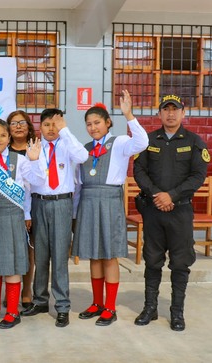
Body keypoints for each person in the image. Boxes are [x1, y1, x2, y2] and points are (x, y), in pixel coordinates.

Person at [133, 94, 209, 331]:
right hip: (153, 210)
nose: (170, 114)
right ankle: (150, 308)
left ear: (183, 113)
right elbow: (139, 170)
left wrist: (172, 195)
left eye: (175, 109)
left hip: (180, 211)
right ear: (159, 114)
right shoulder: (147, 140)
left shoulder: (195, 141)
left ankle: (177, 313)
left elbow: (198, 175)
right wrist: (157, 194)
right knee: (152, 261)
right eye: (166, 109)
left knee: (180, 263)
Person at [72, 91, 148, 326]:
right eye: (88, 124)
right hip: (88, 200)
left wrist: (129, 115)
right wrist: (76, 213)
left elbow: (143, 142)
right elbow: (77, 182)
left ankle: (110, 307)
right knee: (94, 255)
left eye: (97, 123)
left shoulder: (120, 143)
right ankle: (96, 302)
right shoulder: (84, 150)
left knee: (109, 255)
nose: (93, 127)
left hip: (110, 200)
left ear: (107, 123)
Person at [21, 109, 89, 328]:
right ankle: (40, 300)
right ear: (40, 126)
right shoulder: (34, 148)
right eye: (47, 124)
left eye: (55, 124)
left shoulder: (67, 145)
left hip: (61, 203)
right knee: (40, 255)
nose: (51, 129)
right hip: (39, 202)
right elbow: (29, 182)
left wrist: (66, 131)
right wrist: (27, 212)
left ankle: (62, 306)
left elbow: (82, 156)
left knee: (59, 256)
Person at [0, 119, 45, 329]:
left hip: (13, 217)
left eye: (3, 136)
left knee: (13, 266)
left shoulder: (20, 160)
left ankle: (13, 312)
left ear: (9, 138)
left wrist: (34, 161)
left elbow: (37, 183)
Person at [6, 110, 37, 309]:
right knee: (8, 251)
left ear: (29, 126)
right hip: (7, 209)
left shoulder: (36, 149)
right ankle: (10, 292)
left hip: (33, 206)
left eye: (22, 122)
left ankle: (26, 290)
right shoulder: (1, 151)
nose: (18, 126)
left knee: (29, 250)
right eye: (14, 123)